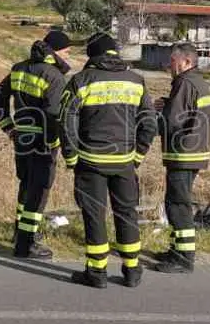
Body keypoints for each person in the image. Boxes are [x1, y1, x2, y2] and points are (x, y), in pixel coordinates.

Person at [60, 33, 158, 288]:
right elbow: (149, 123)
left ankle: (97, 273)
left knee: (95, 215)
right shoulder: (136, 81)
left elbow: (67, 122)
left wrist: (70, 157)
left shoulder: (81, 80)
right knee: (127, 213)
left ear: (92, 55)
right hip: (124, 162)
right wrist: (137, 156)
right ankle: (132, 270)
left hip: (90, 162)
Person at [0, 30, 73, 259]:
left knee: (26, 185)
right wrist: (55, 142)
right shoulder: (54, 76)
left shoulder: (19, 68)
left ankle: (20, 233)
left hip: (22, 138)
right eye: (67, 51)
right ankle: (28, 243)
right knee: (39, 191)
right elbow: (54, 114)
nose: (69, 56)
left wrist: (8, 126)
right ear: (56, 51)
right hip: (43, 142)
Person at [153, 43, 210, 274]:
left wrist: (150, 118)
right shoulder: (196, 82)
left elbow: (172, 121)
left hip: (182, 154)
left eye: (173, 60)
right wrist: (168, 104)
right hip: (192, 153)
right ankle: (176, 249)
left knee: (178, 205)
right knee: (177, 202)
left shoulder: (184, 83)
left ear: (186, 62)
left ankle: (183, 258)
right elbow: (186, 113)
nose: (169, 64)